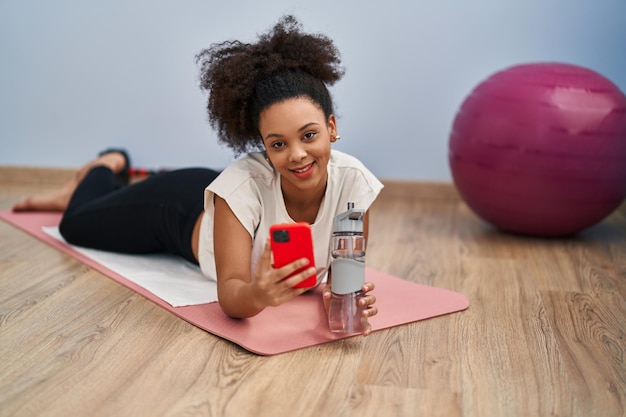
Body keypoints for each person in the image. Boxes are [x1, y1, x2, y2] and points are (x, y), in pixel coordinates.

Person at [12, 15, 383, 335]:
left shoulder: (354, 185)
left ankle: (115, 181)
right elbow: (232, 295)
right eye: (278, 144)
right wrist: (259, 295)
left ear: (331, 127)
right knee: (74, 225)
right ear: (263, 146)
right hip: (174, 213)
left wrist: (346, 300)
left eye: (309, 135)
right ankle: (106, 165)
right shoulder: (241, 187)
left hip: (216, 195)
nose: (298, 155)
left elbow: (339, 278)